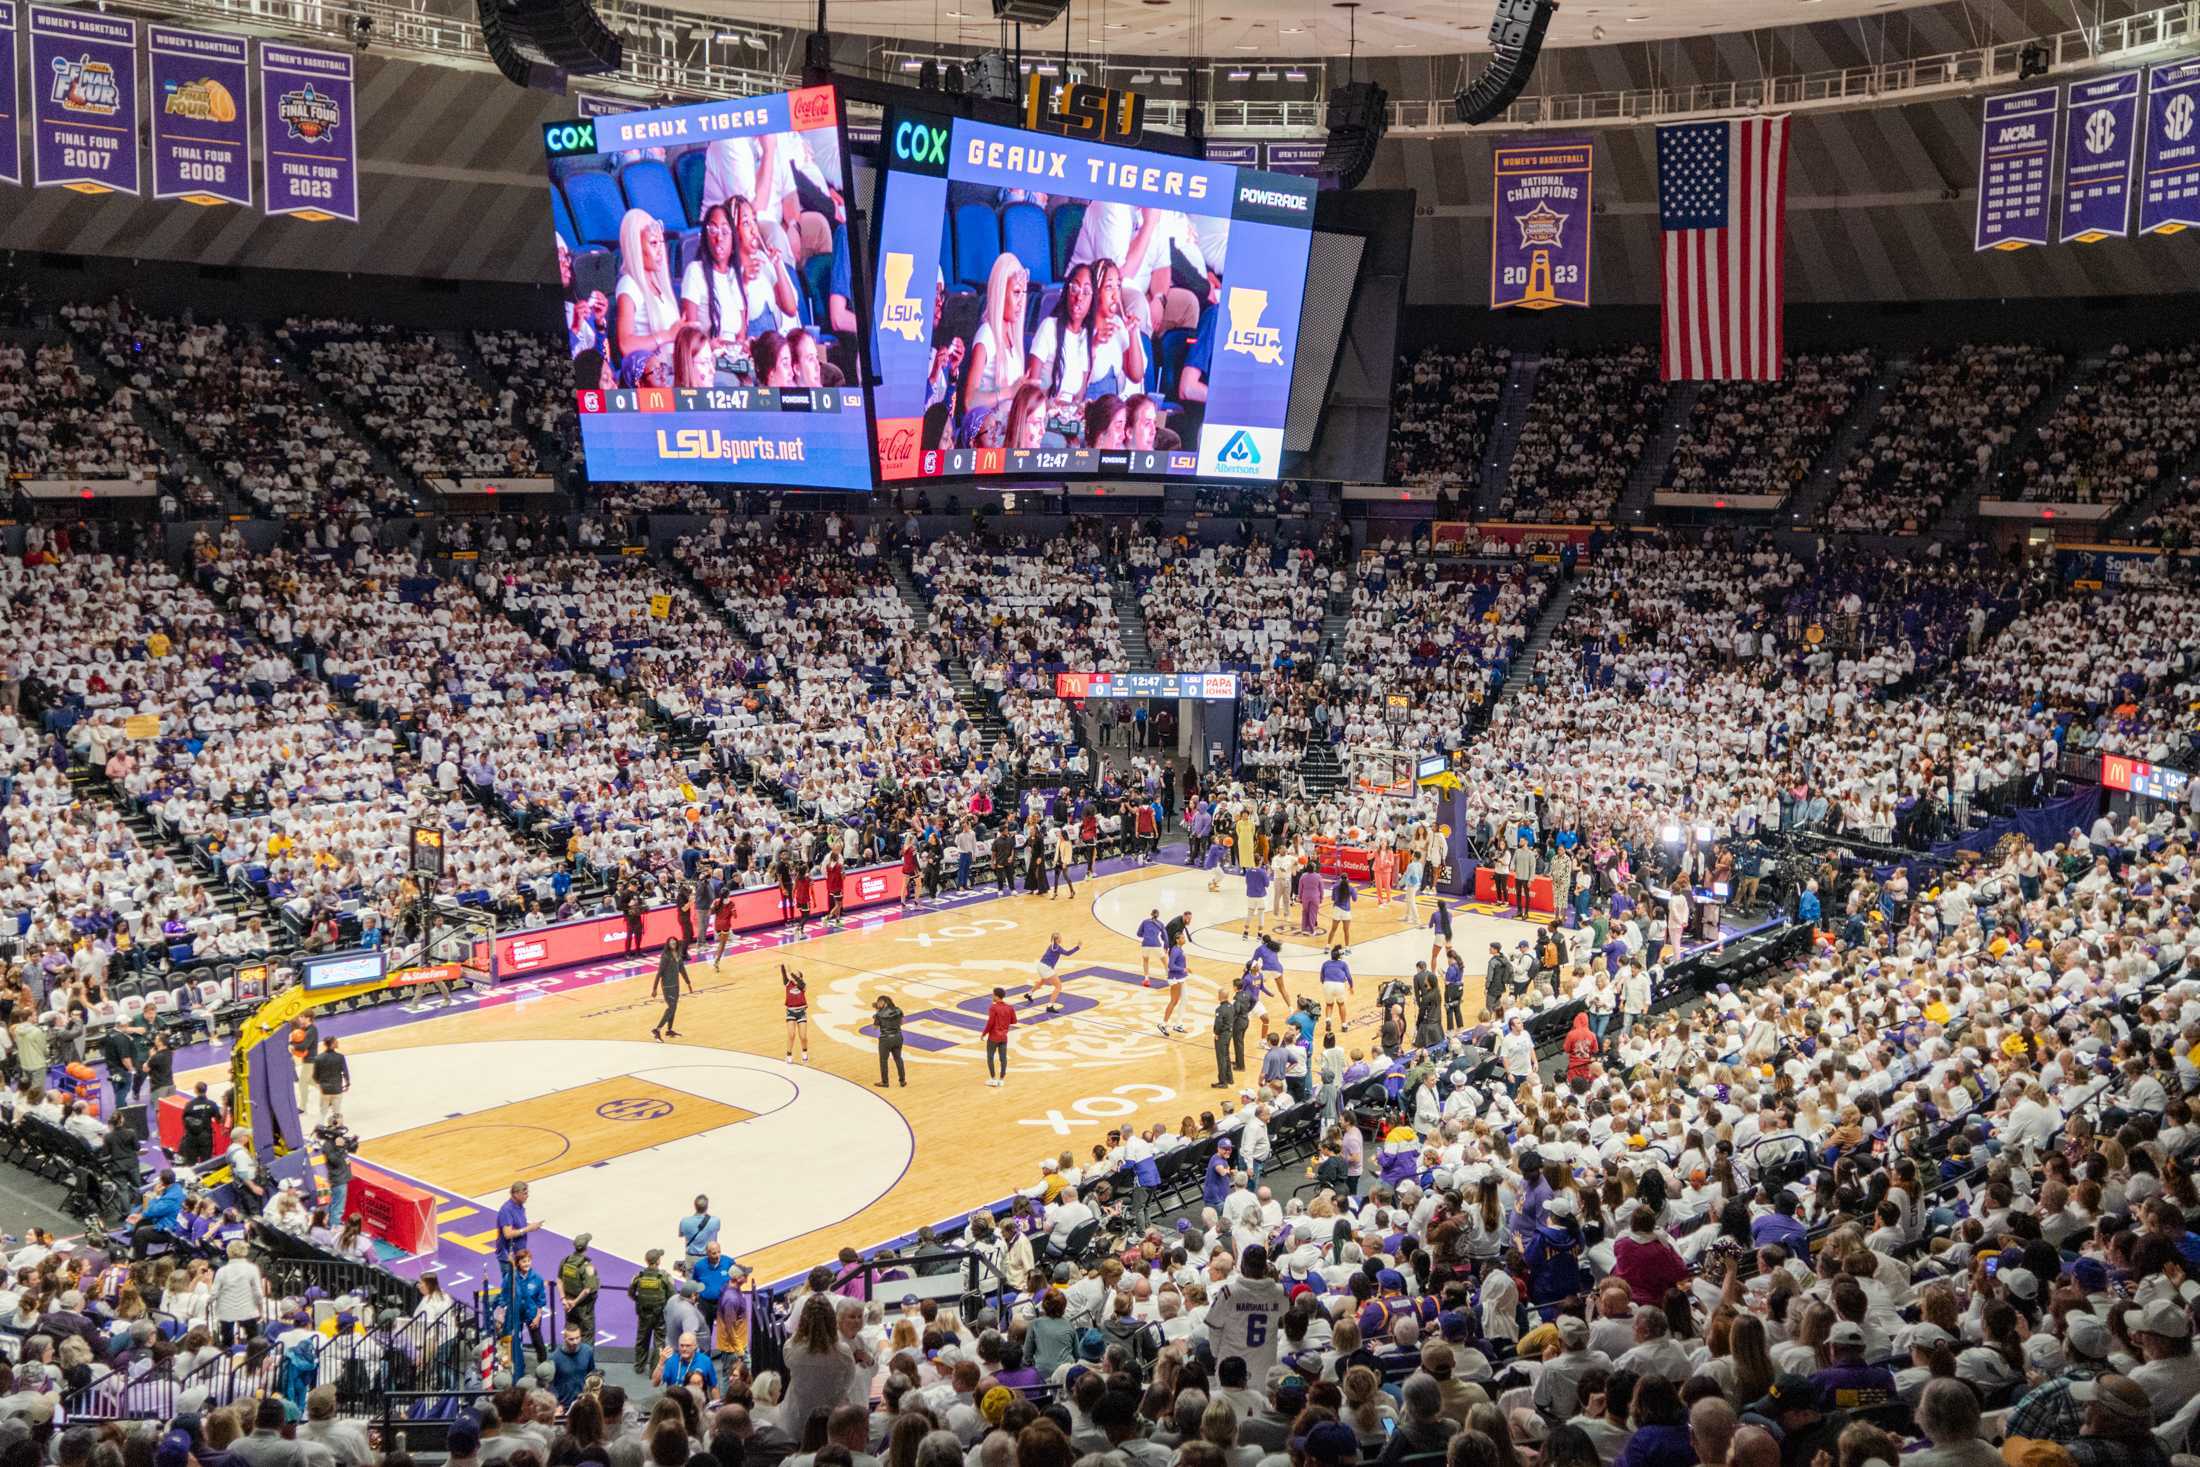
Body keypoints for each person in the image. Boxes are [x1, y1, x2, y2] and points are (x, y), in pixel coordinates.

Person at [612, 209, 683, 384]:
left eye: (661, 242)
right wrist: (666, 335)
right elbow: (625, 345)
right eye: (653, 243)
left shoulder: (658, 281)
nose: (661, 250)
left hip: (673, 367)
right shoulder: (629, 285)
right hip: (655, 377)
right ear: (635, 246)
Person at [629, 1247, 675, 1373]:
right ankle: (655, 1369)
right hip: (660, 1315)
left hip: (643, 1314)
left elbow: (631, 1293)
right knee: (659, 1342)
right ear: (658, 1261)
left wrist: (640, 1300)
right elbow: (672, 1295)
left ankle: (639, 1367)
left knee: (642, 1339)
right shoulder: (664, 1277)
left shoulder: (638, 1276)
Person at [558, 1233, 601, 1338]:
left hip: (568, 1302)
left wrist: (563, 1298)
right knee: (587, 1335)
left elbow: (559, 1280)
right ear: (586, 1247)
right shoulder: (587, 1266)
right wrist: (575, 1302)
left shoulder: (566, 1260)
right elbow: (587, 1290)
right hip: (583, 1305)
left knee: (571, 1331)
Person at [652, 935, 693, 1041]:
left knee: (674, 1008)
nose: (673, 944)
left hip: (676, 985)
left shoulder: (678, 954)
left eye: (674, 942)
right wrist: (655, 988)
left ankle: (669, 1030)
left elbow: (682, 969)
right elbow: (659, 972)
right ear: (668, 945)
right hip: (667, 986)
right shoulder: (665, 956)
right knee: (671, 1008)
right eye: (671, 943)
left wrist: (688, 982)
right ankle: (657, 1029)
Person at [1031, 934, 1082, 1012]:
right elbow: (1068, 953)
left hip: (1040, 966)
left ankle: (1029, 993)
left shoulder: (1051, 946)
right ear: (1057, 940)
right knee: (1058, 986)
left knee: (1042, 981)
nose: (1061, 938)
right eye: (1060, 938)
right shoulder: (1058, 948)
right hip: (1046, 968)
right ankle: (1050, 1006)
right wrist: (1077, 947)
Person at [311, 1038, 349, 1124]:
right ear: (332, 1044)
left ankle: (319, 1130)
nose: (337, 1043)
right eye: (336, 1042)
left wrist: (320, 1084)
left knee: (322, 1112)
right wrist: (347, 1084)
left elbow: (314, 1076)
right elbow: (345, 1072)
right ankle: (337, 1130)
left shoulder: (318, 1058)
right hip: (337, 1089)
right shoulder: (340, 1057)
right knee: (337, 1112)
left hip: (325, 1090)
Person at [983, 986, 1015, 1088]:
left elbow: (990, 1022)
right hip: (1004, 1037)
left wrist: (984, 1033)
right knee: (1003, 1058)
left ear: (996, 996)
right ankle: (1001, 1080)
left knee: (990, 1057)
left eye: (993, 994)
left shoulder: (993, 1007)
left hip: (993, 1037)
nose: (992, 996)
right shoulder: (1010, 1007)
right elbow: (1014, 1021)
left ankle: (993, 1079)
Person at [874, 993, 907, 1088]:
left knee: (883, 1060)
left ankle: (885, 1082)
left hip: (886, 1039)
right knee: (898, 1059)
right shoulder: (898, 1010)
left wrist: (876, 1015)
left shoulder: (879, 1014)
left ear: (883, 1002)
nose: (878, 1004)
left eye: (878, 1002)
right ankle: (902, 1081)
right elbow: (902, 1022)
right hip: (898, 1037)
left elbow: (875, 1027)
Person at [784, 964, 811, 1063]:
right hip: (791, 1011)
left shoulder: (802, 985)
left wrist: (791, 972)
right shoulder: (788, 983)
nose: (793, 975)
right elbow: (785, 975)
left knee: (803, 1036)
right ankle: (788, 1054)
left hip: (801, 1012)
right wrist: (783, 966)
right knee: (791, 1035)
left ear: (800, 977)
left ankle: (804, 1052)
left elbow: (796, 979)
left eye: (796, 974)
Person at [1212, 985, 1237, 1089]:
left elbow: (1218, 1023)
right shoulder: (1231, 1006)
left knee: (1221, 1058)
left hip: (1222, 1035)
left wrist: (1216, 1033)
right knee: (1226, 1056)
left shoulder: (1220, 1009)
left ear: (1220, 996)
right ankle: (1229, 1078)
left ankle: (1223, 1081)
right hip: (1229, 1033)